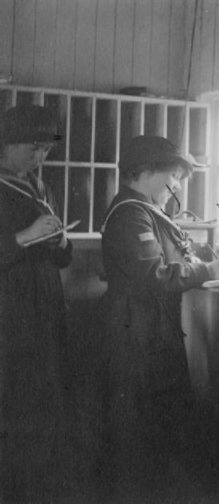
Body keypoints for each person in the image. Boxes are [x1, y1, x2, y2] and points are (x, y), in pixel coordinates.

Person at [100, 135, 219, 502]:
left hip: (154, 332)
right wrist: (208, 270)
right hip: (135, 334)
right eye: (173, 176)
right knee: (139, 432)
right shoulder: (130, 214)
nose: (176, 186)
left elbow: (174, 256)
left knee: (159, 430)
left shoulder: (149, 211)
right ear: (146, 172)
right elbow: (154, 275)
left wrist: (202, 259)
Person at [0, 105, 73, 501]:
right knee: (15, 401)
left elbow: (64, 259)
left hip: (45, 306)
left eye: (45, 150)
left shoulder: (43, 189)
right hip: (9, 312)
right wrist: (23, 237)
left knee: (45, 399)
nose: (39, 158)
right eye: (32, 148)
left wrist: (61, 242)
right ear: (6, 144)